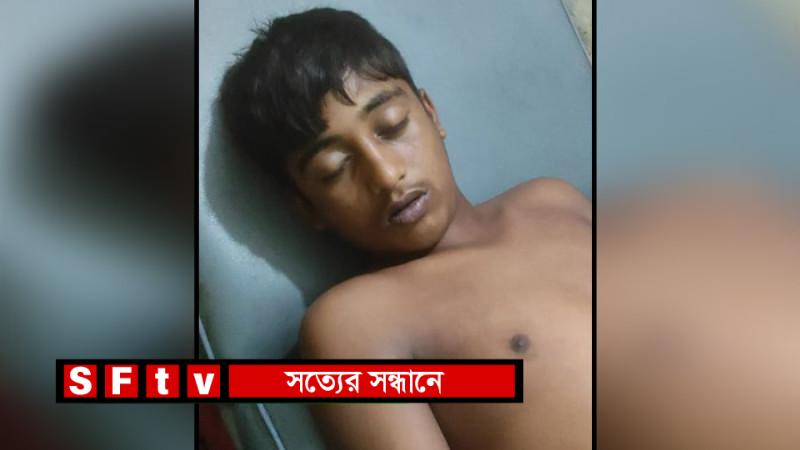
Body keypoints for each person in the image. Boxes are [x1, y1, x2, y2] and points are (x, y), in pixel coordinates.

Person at [220, 8, 591, 450]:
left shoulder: (551, 200)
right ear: (308, 207)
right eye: (335, 168)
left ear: (431, 113)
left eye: (392, 126)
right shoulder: (358, 322)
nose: (385, 174)